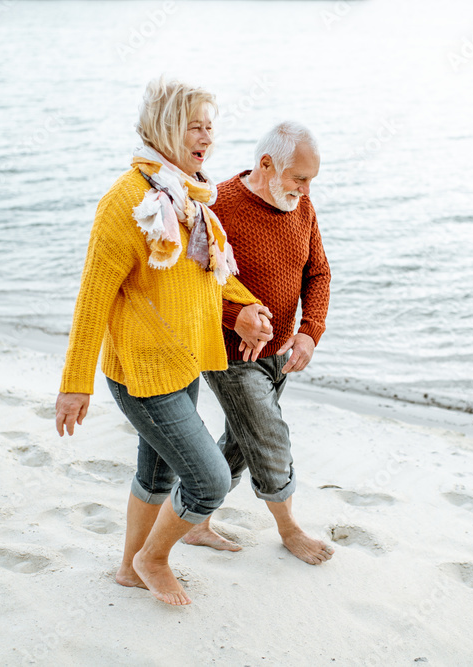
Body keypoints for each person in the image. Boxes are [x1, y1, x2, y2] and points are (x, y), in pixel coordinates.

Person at [54, 77, 273, 605]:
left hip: (181, 363)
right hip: (141, 373)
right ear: (165, 128)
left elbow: (210, 272)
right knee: (209, 481)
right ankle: (152, 558)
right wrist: (74, 385)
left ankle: (130, 568)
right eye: (195, 126)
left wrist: (245, 309)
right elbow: (92, 301)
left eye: (210, 127)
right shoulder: (128, 201)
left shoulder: (193, 196)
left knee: (155, 475)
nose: (207, 137)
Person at [183, 121, 334, 565]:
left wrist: (310, 331)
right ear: (266, 164)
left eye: (311, 181)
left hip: (280, 353)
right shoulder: (219, 206)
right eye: (299, 179)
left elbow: (318, 273)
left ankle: (193, 520)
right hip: (230, 354)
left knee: (241, 440)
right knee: (268, 438)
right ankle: (289, 530)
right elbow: (190, 286)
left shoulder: (301, 209)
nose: (305, 190)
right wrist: (235, 317)